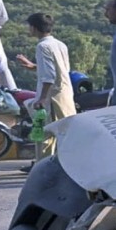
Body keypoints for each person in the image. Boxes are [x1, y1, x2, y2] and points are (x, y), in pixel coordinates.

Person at [14, 13, 77, 166]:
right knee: (64, 132)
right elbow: (62, 69)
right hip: (65, 94)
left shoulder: (42, 46)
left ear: (34, 28)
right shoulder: (59, 44)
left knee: (44, 133)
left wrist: (42, 98)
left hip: (52, 97)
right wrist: (34, 66)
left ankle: (43, 166)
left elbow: (49, 76)